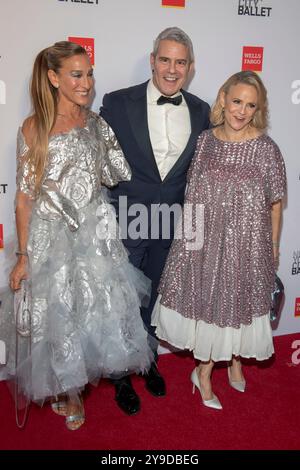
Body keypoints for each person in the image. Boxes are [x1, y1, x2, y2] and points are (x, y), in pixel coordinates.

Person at [0, 41, 154, 430]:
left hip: (96, 237)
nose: (86, 82)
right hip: (51, 237)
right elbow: (23, 198)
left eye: (89, 73)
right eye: (76, 74)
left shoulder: (97, 124)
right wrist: (23, 256)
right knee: (60, 318)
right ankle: (70, 395)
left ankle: (76, 391)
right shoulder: (34, 128)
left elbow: (115, 174)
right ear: (54, 78)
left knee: (95, 315)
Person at [152, 70, 287, 410]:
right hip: (208, 243)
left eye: (250, 105)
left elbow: (274, 206)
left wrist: (272, 247)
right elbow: (193, 196)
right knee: (215, 308)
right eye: (237, 101)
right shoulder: (205, 142)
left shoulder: (267, 149)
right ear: (224, 98)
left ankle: (236, 360)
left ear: (258, 110)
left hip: (247, 246)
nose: (241, 111)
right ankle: (204, 372)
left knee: (240, 305)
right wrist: (189, 247)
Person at [100, 27, 210, 415]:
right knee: (122, 300)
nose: (171, 69)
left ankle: (147, 362)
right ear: (152, 61)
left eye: (180, 62)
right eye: (165, 59)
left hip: (173, 222)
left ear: (190, 68)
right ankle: (118, 375)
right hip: (126, 219)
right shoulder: (116, 103)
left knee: (155, 298)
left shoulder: (202, 111)